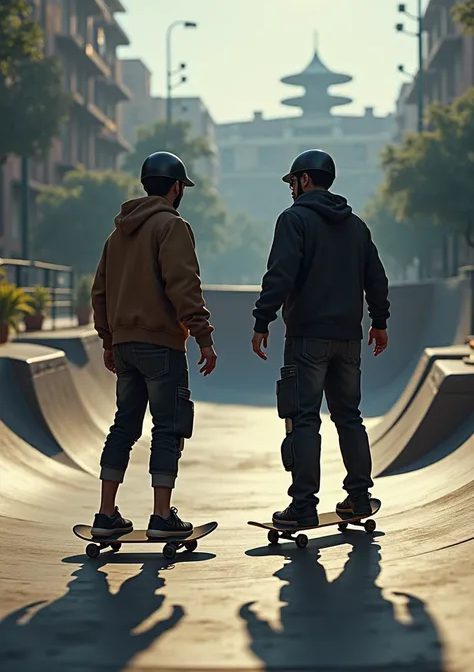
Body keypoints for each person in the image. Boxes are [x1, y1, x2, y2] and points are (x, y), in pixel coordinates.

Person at [251, 149, 390, 527]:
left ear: (305, 180)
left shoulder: (294, 220)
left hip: (307, 337)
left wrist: (262, 319)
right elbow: (376, 278)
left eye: (292, 181)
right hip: (348, 338)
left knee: (303, 419)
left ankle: (303, 505)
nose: (291, 189)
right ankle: (359, 498)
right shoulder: (357, 225)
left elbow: (280, 274)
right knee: (349, 418)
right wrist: (379, 321)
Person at [90, 151, 217, 538]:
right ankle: (162, 515)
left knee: (124, 426)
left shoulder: (117, 234)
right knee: (169, 427)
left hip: (125, 346)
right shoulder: (171, 227)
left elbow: (100, 292)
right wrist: (203, 336)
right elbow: (183, 285)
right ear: (176, 188)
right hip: (161, 346)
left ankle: (106, 513)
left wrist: (110, 341)